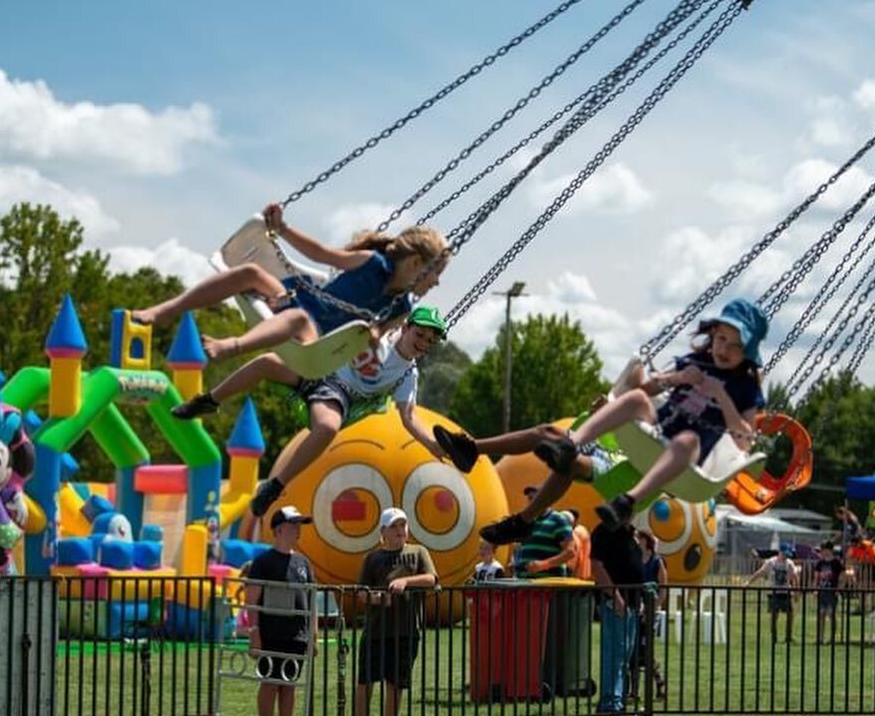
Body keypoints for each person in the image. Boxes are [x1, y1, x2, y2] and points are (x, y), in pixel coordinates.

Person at [433, 299, 768, 544]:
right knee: (553, 436)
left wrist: (720, 396)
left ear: (748, 353)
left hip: (654, 469)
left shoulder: (744, 387)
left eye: (735, 347)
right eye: (721, 339)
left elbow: (744, 441)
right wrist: (678, 376)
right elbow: (644, 390)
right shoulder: (696, 361)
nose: (724, 349)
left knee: (685, 442)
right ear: (712, 336)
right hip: (645, 437)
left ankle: (611, 505)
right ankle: (475, 449)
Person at [172, 307, 449, 517]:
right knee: (267, 361)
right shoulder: (378, 335)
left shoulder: (407, 374)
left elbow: (409, 417)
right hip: (318, 366)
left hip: (336, 394)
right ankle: (209, 400)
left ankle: (275, 486)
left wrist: (432, 445)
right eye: (420, 334)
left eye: (430, 341)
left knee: (327, 427)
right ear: (405, 328)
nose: (423, 343)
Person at [133, 202, 450, 361]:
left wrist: (371, 335)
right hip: (301, 301)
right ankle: (163, 311)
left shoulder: (403, 306)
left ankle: (231, 345)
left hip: (319, 339)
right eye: (436, 273)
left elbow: (379, 333)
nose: (437, 283)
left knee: (297, 319)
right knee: (250, 274)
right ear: (415, 264)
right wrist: (282, 229)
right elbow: (322, 254)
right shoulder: (371, 263)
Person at [343, 507, 437, 716]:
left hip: (406, 630)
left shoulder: (418, 552)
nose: (400, 531)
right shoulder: (372, 558)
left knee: (395, 684)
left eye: (403, 525)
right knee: (365, 683)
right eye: (394, 526)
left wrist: (407, 581)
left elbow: (432, 579)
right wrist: (373, 599)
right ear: (383, 531)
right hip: (375, 630)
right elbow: (360, 591)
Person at [245, 505, 316, 716]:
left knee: (290, 684)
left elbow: (311, 600)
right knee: (271, 683)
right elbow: (251, 600)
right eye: (293, 524)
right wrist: (255, 634)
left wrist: (312, 636)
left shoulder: (303, 562)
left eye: (299, 524)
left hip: (297, 635)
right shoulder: (263, 561)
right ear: (278, 529)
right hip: (271, 633)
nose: (298, 529)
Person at [590, 517, 644, 715]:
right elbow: (597, 565)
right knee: (615, 653)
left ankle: (617, 699)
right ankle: (610, 703)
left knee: (624, 655)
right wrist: (615, 595)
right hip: (615, 601)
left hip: (632, 601)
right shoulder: (604, 530)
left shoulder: (630, 533)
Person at [630, 528, 667, 701]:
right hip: (635, 609)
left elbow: (663, 589)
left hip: (650, 611)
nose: (636, 541)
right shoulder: (634, 560)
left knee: (645, 651)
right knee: (632, 651)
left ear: (646, 541)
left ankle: (659, 681)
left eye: (639, 538)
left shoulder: (657, 561)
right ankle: (634, 691)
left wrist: (652, 609)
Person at [747, 543, 799, 643]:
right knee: (774, 615)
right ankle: (774, 637)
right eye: (784, 554)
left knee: (790, 614)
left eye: (787, 555)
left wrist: (796, 592)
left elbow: (795, 577)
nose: (786, 556)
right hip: (773, 592)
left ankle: (788, 636)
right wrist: (748, 582)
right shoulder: (771, 562)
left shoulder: (790, 563)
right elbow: (760, 573)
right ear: (780, 552)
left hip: (786, 592)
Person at [813, 539, 845, 645]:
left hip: (832, 591)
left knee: (831, 614)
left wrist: (839, 589)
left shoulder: (836, 563)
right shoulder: (820, 563)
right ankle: (820, 637)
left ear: (830, 550)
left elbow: (842, 577)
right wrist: (815, 589)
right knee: (821, 614)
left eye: (824, 550)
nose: (823, 552)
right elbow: (816, 577)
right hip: (822, 591)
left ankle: (832, 638)